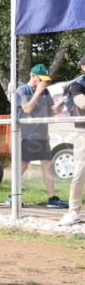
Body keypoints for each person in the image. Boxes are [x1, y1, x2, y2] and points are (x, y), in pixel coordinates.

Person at [14, 64, 67, 208]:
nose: (44, 82)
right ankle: (13, 196)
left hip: (42, 135)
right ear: (32, 76)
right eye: (41, 79)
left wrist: (58, 108)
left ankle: (52, 198)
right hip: (27, 135)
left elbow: (49, 111)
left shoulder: (45, 91)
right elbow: (27, 109)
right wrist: (37, 93)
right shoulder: (22, 90)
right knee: (23, 166)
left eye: (45, 79)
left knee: (47, 165)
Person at [57, 56, 85, 226]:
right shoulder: (78, 84)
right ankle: (73, 211)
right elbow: (81, 103)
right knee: (80, 171)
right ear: (83, 67)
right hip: (83, 132)